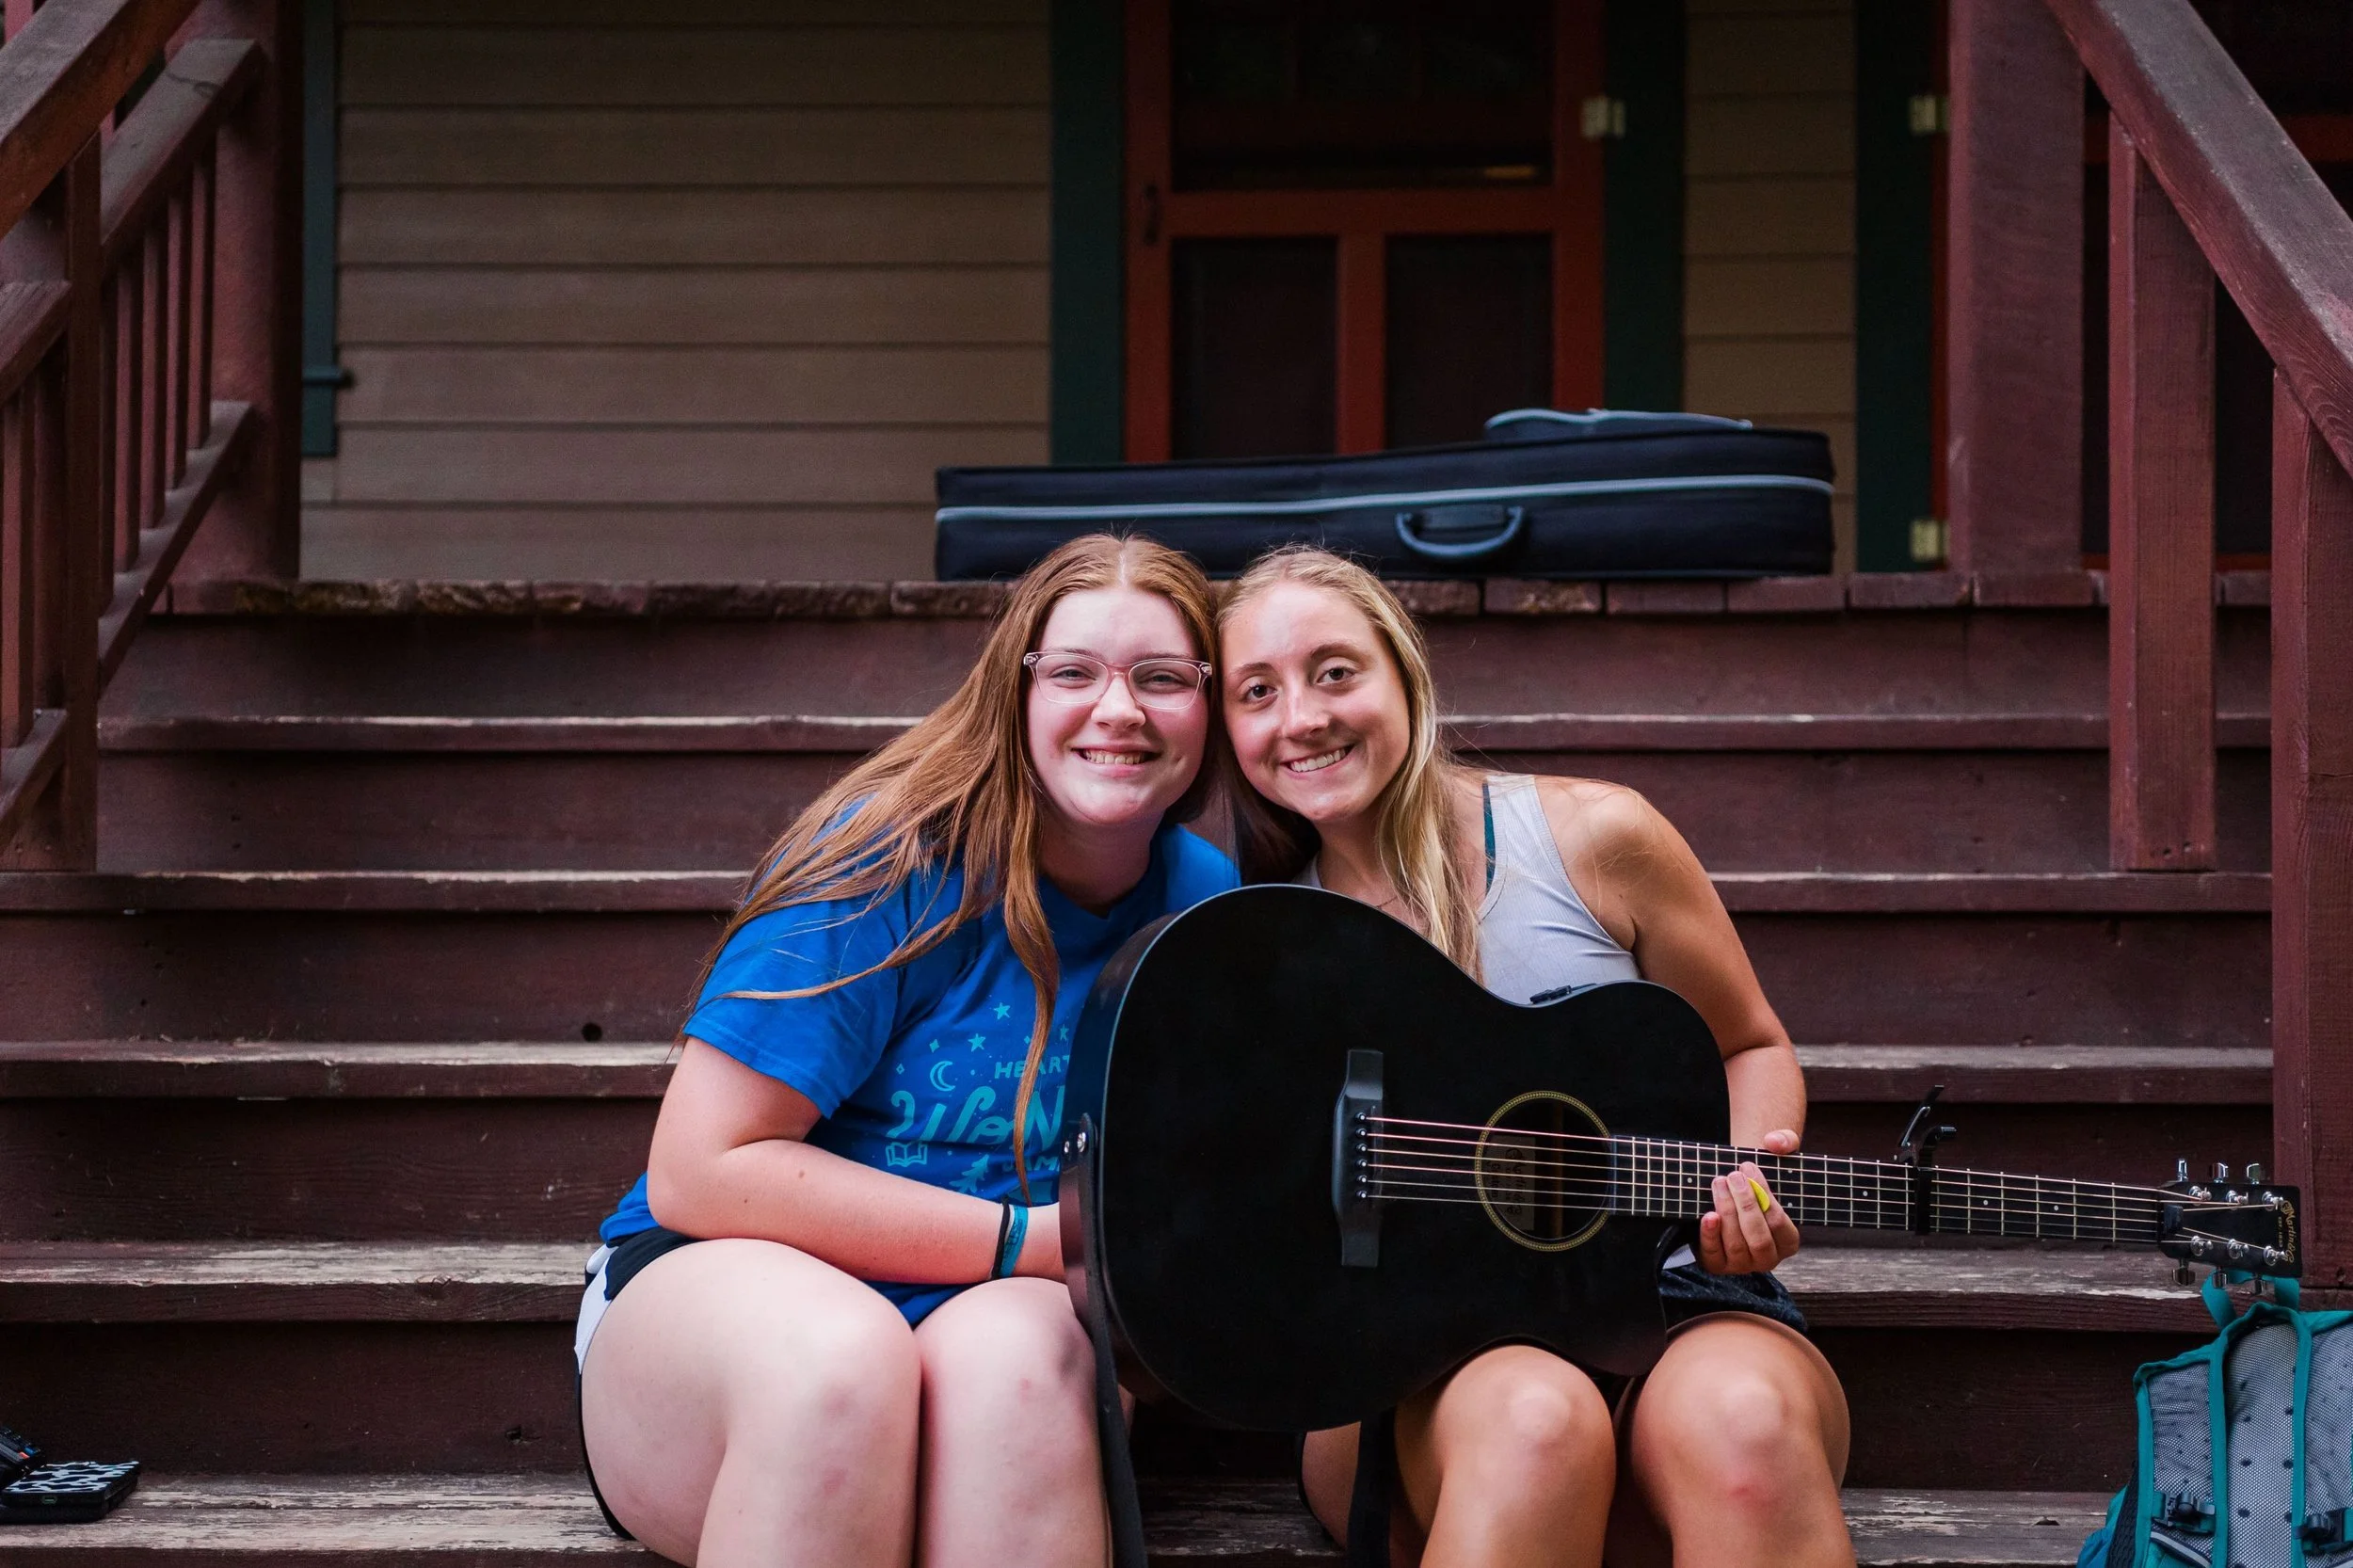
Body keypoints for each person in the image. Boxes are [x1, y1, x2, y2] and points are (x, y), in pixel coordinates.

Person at [575, 534, 1238, 1568]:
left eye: (1162, 678)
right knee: (842, 1363)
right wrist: (1039, 1242)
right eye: (1074, 672)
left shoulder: (1206, 907)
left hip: (996, 1314)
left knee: (1030, 1365)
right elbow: (699, 1170)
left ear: (1209, 707)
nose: (1120, 710)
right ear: (1012, 693)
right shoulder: (890, 862)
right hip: (739, 1282)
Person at [1217, 547, 1853, 1568]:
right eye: (1258, 691)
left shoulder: (1591, 837)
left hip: (1669, 1294)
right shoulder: (1255, 936)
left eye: (1335, 671)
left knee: (1745, 1425)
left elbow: (1749, 1043)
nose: (1302, 716)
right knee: (1534, 1428)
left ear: (1403, 674)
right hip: (1415, 1354)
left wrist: (1743, 1182)